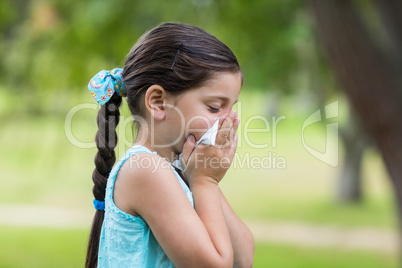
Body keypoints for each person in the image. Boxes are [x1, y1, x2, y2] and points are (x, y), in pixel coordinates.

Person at [86, 22, 255, 268]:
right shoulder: (144, 170)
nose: (229, 120)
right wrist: (204, 182)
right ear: (158, 103)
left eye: (232, 107)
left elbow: (244, 259)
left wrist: (204, 178)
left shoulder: (184, 168)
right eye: (215, 107)